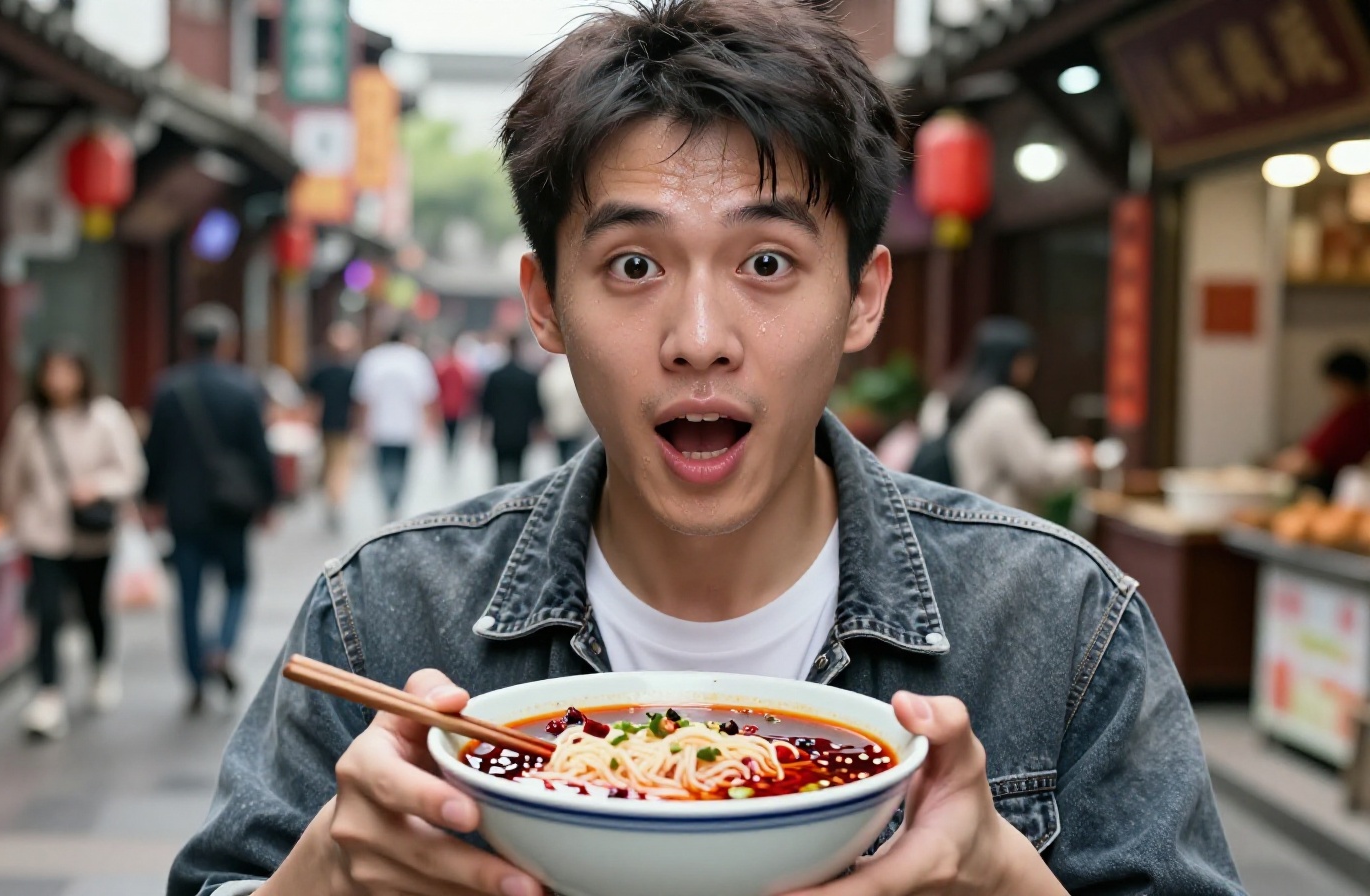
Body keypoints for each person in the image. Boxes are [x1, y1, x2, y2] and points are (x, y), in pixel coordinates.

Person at [169, 3, 1242, 895]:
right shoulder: (386, 616)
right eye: (632, 266)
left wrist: (1012, 882)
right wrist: (311, 879)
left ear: (862, 297)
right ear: (544, 305)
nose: (697, 339)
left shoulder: (1057, 625)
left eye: (767, 262)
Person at [0, 344, 145, 739]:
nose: (58, 381)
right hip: (42, 531)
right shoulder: (29, 421)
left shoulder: (106, 416)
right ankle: (48, 694)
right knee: (46, 613)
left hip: (91, 533)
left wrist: (97, 487)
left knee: (92, 606)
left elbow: (130, 471)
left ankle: (101, 665)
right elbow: (10, 474)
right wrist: (7, 521)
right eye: (51, 372)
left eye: (66, 371)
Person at [144, 305, 277, 715]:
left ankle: (195, 674)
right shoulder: (243, 388)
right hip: (231, 509)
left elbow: (155, 453)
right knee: (236, 581)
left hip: (184, 510)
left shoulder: (168, 388)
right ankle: (222, 645)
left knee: (188, 593)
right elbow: (260, 451)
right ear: (227, 343)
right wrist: (269, 500)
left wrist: (151, 500)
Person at [913, 318, 1094, 514]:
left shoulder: (940, 398)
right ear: (1015, 361)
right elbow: (1037, 474)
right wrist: (1076, 456)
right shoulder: (1004, 406)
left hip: (943, 518)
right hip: (990, 526)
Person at [351, 325, 437, 519]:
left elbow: (363, 397)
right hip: (407, 425)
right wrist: (430, 423)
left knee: (383, 465)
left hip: (379, 424)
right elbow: (426, 397)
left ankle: (389, 499)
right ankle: (395, 499)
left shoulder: (373, 359)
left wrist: (360, 424)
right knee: (402, 466)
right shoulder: (415, 359)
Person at [1274, 348, 1370, 495]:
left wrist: (1274, 464)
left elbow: (1308, 463)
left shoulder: (1351, 416)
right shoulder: (1353, 411)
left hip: (1331, 491)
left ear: (1341, 382)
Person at [304, 322, 360, 533]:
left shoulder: (323, 368)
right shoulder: (350, 369)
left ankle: (332, 499)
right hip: (339, 424)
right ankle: (334, 499)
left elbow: (313, 399)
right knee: (338, 465)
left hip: (330, 424)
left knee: (333, 464)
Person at [480, 334, 544, 485]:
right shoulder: (529, 377)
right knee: (519, 465)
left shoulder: (496, 376)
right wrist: (538, 427)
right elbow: (536, 405)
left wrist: (483, 429)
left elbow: (485, 404)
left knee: (499, 466)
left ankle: (500, 493)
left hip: (500, 429)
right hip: (521, 429)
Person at [538, 353, 593, 463]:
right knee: (575, 452)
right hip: (575, 421)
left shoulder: (550, 373)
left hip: (557, 421)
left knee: (562, 452)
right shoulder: (573, 372)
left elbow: (545, 397)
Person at [432, 339, 478, 462]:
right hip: (456, 406)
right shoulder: (462, 367)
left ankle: (450, 453)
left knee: (450, 433)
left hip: (449, 406)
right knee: (454, 433)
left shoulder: (442, 367)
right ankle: (452, 453)